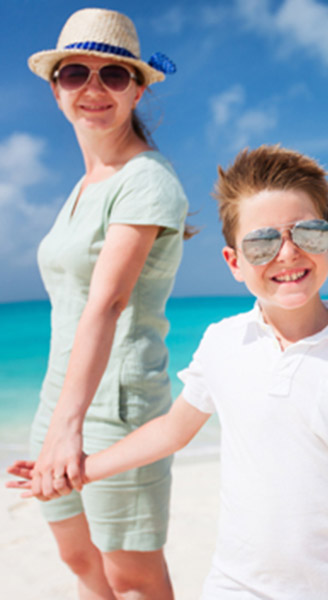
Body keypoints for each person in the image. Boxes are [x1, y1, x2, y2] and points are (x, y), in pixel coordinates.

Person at [11, 145, 328, 600]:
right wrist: (83, 470)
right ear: (234, 262)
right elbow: (172, 431)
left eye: (306, 233)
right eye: (262, 242)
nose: (287, 254)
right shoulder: (223, 342)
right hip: (236, 588)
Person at [19, 7, 186, 599]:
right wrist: (57, 419)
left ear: (137, 88)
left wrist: (68, 430)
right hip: (60, 395)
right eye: (75, 74)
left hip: (117, 406)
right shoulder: (88, 184)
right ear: (55, 87)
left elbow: (107, 303)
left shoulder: (147, 181)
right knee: (77, 557)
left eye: (113, 75)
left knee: (132, 577)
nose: (93, 88)